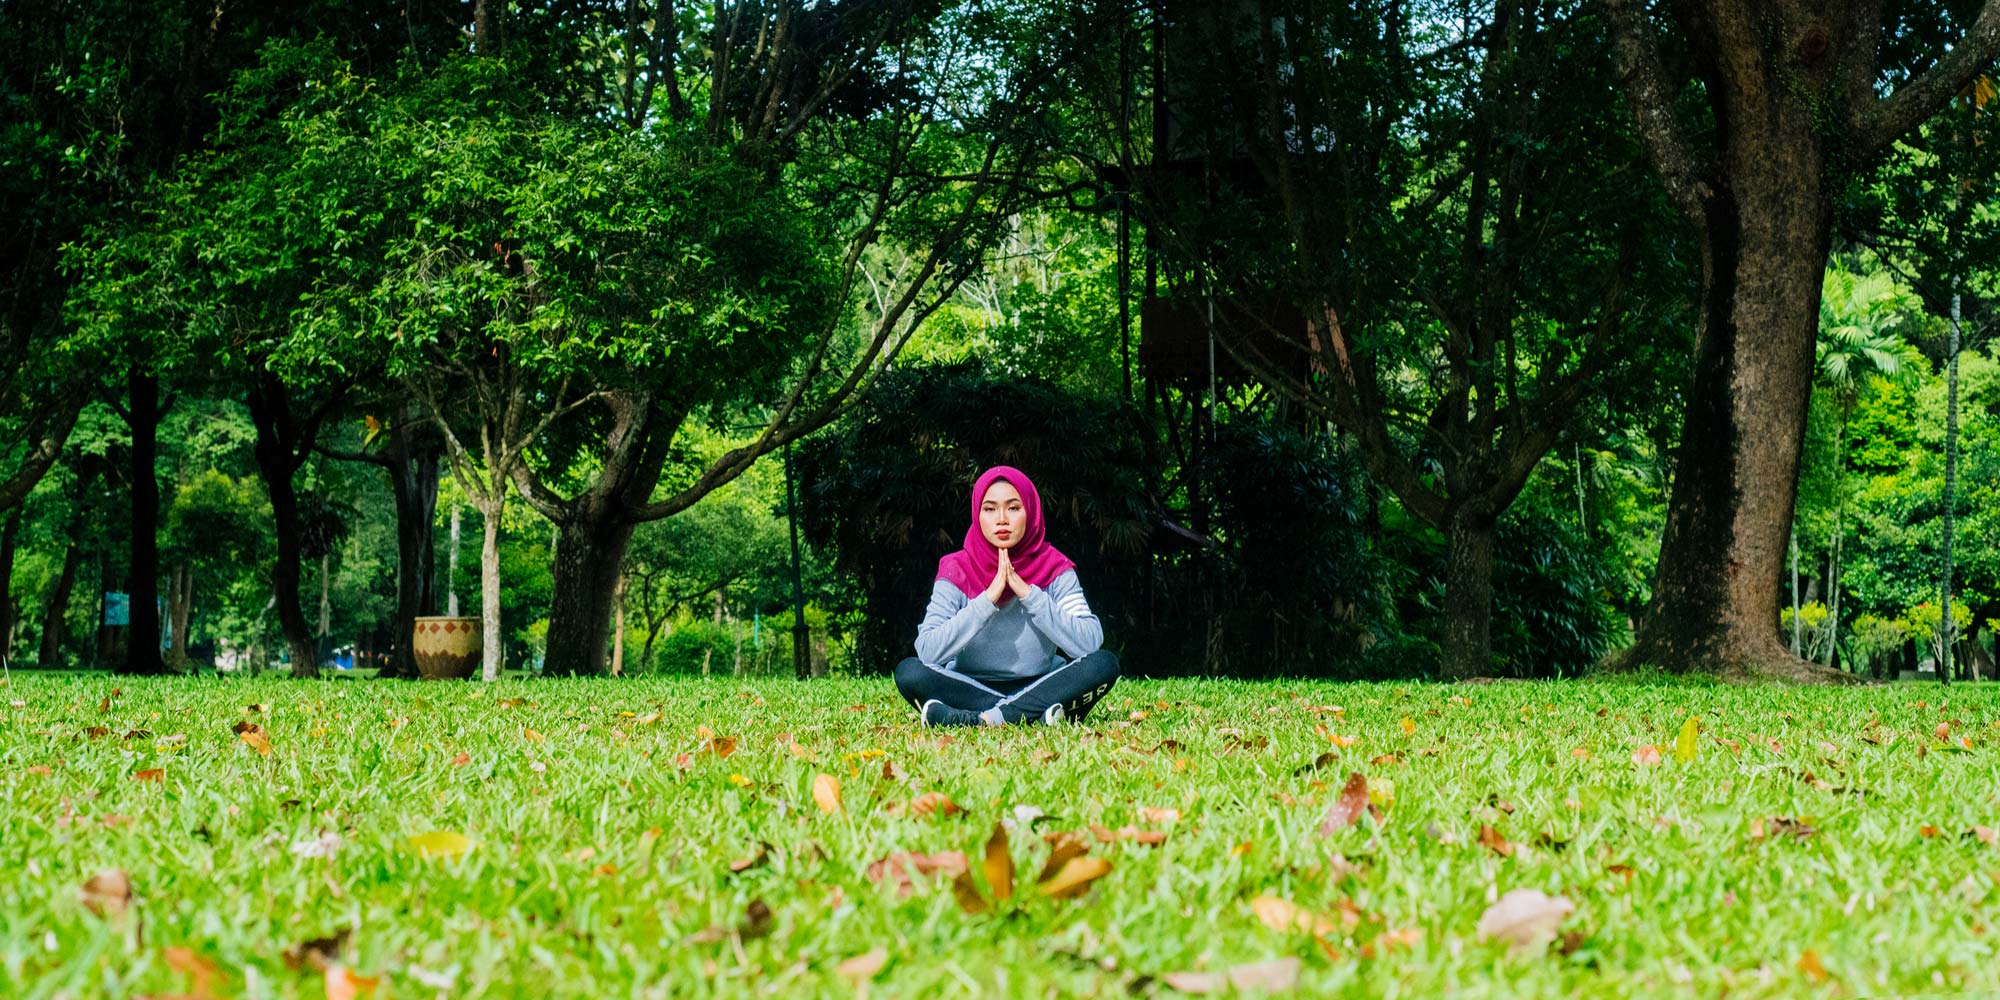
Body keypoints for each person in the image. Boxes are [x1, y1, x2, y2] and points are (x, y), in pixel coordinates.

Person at [894, 465, 1120, 726]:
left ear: (1031, 513)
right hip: (969, 685)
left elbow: (1089, 643)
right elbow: (928, 651)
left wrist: (1029, 594)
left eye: (1013, 508)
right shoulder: (956, 568)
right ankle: (1036, 714)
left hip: (1042, 682)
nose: (1001, 518)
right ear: (977, 515)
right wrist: (987, 600)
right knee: (909, 672)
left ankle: (981, 719)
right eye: (989, 509)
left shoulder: (1055, 567)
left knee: (1104, 664)